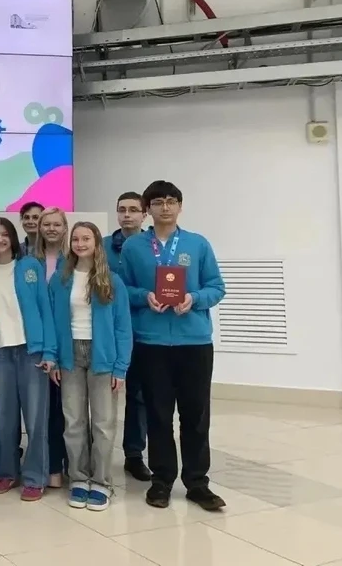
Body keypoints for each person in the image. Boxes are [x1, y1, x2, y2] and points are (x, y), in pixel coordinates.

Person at [121, 181, 226, 511]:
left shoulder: (197, 244)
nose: (165, 207)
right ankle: (162, 480)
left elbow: (217, 287)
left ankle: (197, 482)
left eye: (171, 201)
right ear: (148, 209)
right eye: (157, 202)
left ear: (180, 206)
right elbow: (122, 288)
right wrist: (144, 297)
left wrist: (194, 298)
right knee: (157, 414)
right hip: (151, 342)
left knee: (196, 414)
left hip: (194, 342)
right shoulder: (134, 247)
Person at [44, 222, 132, 512]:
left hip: (103, 356)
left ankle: (102, 482)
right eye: (76, 239)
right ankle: (79, 479)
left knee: (103, 423)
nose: (80, 244)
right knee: (74, 422)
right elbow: (52, 323)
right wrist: (53, 357)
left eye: (86, 239)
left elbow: (123, 328)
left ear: (96, 243)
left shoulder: (112, 281)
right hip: (70, 355)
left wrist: (121, 368)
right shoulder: (60, 280)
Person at [0, 217, 54, 500]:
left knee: (35, 418)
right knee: (5, 417)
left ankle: (35, 477)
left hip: (31, 351)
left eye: (4, 234)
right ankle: (5, 472)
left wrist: (49, 351)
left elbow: (45, 309)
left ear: (13, 237)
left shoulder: (30, 266)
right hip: (0, 353)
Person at [108, 191, 151, 483]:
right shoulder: (101, 247)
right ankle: (92, 453)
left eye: (133, 210)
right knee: (99, 398)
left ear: (144, 214)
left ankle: (134, 454)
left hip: (143, 332)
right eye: (122, 209)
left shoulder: (154, 248)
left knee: (138, 396)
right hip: (107, 334)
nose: (127, 215)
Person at [34, 206, 69, 489]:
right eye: (47, 224)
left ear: (65, 227)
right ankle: (50, 465)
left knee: (66, 410)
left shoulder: (74, 260)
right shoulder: (28, 261)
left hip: (68, 344)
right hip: (37, 345)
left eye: (57, 224)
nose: (52, 229)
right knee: (44, 411)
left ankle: (69, 466)